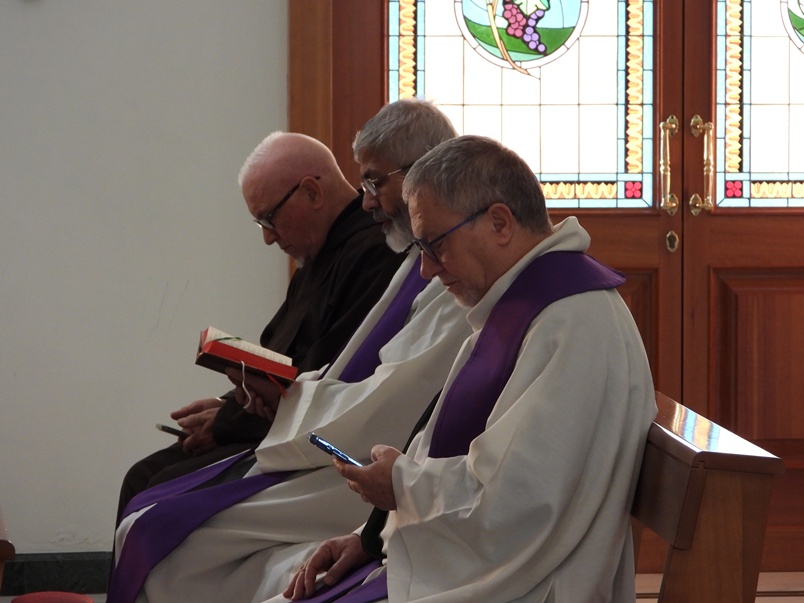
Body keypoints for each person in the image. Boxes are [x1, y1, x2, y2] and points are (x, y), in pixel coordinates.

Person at [108, 99, 473, 603]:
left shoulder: (406, 260)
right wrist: (245, 400)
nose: (368, 203)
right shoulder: (408, 260)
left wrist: (259, 410)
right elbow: (334, 369)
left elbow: (383, 398)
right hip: (322, 439)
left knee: (160, 528)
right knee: (153, 509)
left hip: (349, 464)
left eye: (373, 183)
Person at [280, 135, 657, 603]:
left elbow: (522, 501)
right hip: (485, 569)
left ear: (499, 222)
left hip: (531, 585)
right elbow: (457, 456)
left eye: (434, 244)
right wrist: (370, 537)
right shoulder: (521, 302)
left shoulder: (572, 322)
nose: (426, 270)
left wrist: (401, 485)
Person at [115, 132, 405, 522]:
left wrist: (227, 424)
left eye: (269, 218)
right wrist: (229, 404)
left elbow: (333, 381)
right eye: (260, 224)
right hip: (270, 428)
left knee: (151, 493)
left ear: (311, 192)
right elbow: (281, 360)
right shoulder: (316, 257)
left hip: (313, 450)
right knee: (144, 476)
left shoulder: (374, 253)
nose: (268, 238)